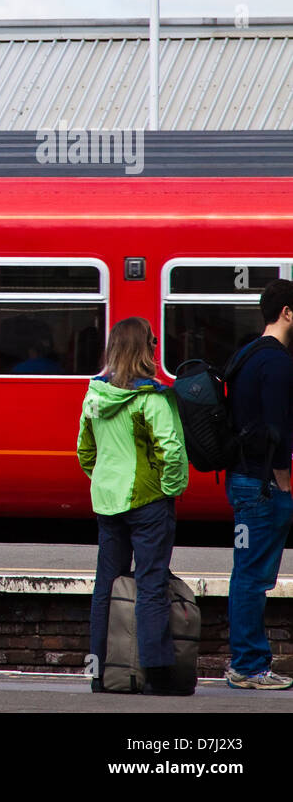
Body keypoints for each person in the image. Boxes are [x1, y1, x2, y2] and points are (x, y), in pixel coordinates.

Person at [78, 316, 188, 695]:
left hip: (108, 503)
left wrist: (105, 480)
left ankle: (100, 673)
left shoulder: (95, 395)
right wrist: (170, 489)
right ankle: (156, 675)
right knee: (151, 583)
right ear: (146, 349)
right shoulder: (150, 399)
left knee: (105, 587)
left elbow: (84, 451)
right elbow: (171, 451)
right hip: (148, 501)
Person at [222, 279, 293, 690]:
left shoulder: (247, 353)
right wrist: (284, 488)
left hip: (242, 479)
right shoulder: (279, 363)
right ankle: (249, 666)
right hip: (263, 486)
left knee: (245, 574)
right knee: (253, 577)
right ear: (287, 313)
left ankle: (244, 662)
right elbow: (277, 433)